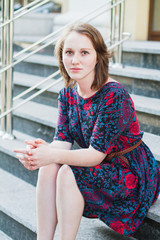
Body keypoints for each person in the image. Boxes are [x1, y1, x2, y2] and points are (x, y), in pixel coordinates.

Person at [14, 23, 160, 239]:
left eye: (84, 52)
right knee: (48, 167)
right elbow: (62, 141)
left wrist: (51, 154)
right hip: (101, 166)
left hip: (129, 171)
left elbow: (95, 155)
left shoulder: (114, 95)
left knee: (66, 172)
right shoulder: (67, 93)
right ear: (61, 56)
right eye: (69, 52)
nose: (75, 60)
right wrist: (37, 156)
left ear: (98, 56)